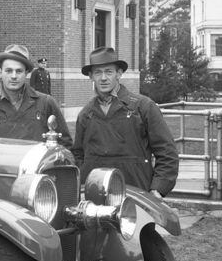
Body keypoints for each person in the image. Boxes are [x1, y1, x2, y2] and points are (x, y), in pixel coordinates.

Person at [72, 46, 179, 197]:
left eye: (109, 71)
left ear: (119, 73)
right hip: (96, 197)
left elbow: (167, 152)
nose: (103, 78)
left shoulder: (143, 107)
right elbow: (78, 155)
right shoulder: (86, 114)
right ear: (91, 76)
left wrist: (158, 189)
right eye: (98, 72)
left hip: (136, 194)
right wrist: (82, 188)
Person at [0, 44, 71, 147]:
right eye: (8, 71)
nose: (14, 76)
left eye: (19, 71)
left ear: (27, 73)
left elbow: (65, 145)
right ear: (0, 72)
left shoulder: (46, 103)